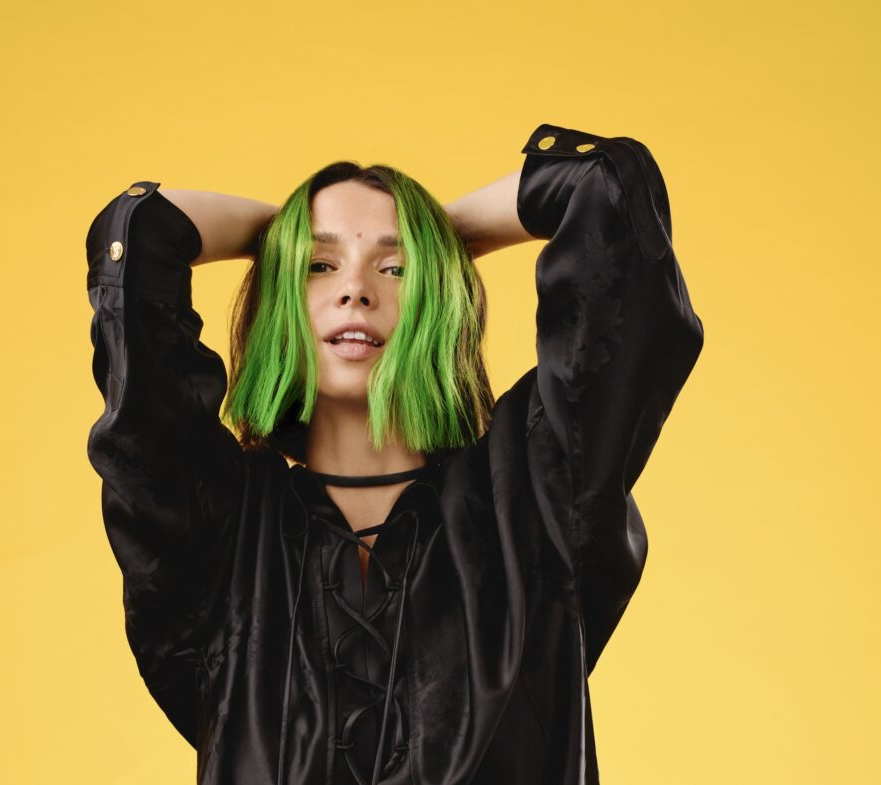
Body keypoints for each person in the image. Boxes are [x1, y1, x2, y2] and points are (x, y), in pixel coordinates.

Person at [84, 123, 704, 785]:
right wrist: (280, 233)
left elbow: (605, 195)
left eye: (396, 267)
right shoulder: (218, 532)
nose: (355, 290)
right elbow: (140, 237)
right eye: (318, 266)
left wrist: (443, 238)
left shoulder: (532, 501)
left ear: (437, 297)